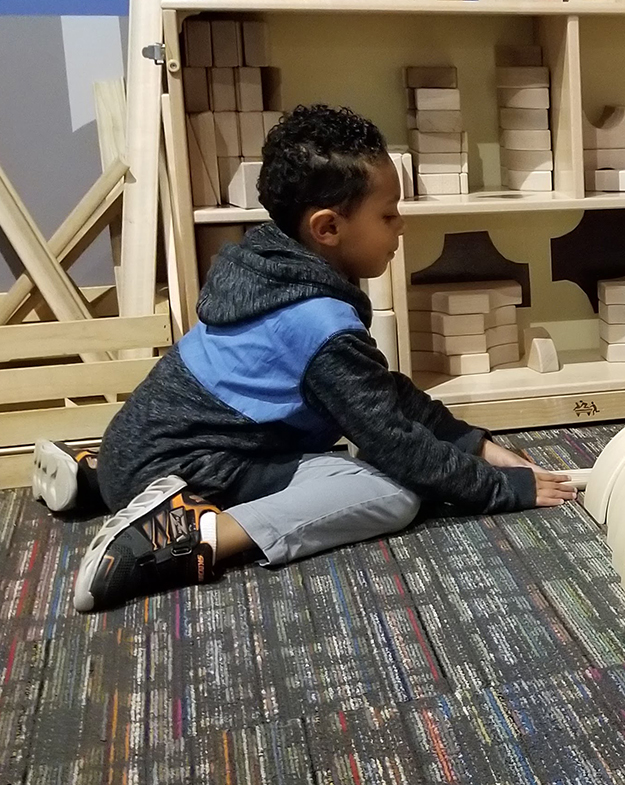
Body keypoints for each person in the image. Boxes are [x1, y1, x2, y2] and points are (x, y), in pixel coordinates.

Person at [38, 104, 575, 615]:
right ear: (327, 228)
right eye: (388, 215)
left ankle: (99, 475)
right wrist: (502, 489)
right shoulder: (318, 325)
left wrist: (474, 442)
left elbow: (380, 393)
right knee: (387, 492)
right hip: (181, 467)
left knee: (361, 455)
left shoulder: (266, 264)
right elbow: (392, 442)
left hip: (139, 444)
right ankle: (179, 534)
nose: (401, 227)